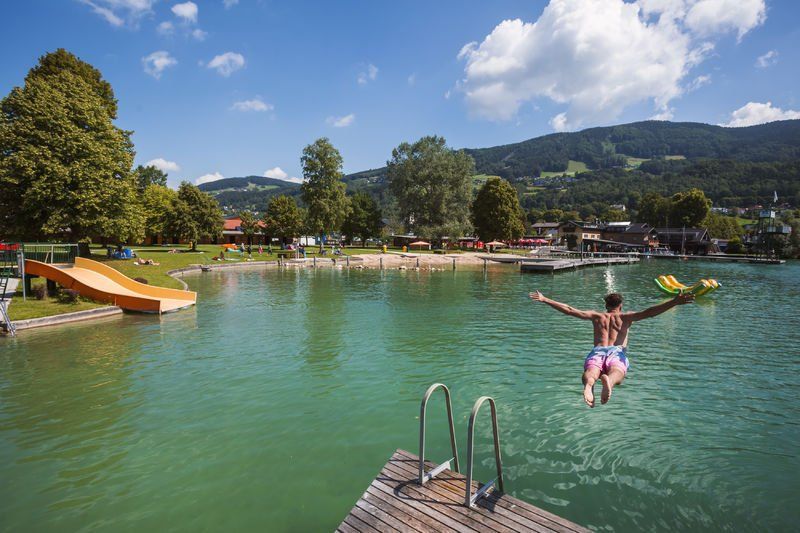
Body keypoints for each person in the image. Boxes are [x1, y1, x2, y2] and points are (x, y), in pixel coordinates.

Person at [529, 290, 694, 407]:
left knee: (591, 371)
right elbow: (650, 312)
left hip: (598, 351)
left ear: (606, 305)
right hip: (617, 352)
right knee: (617, 373)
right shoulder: (626, 317)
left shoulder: (597, 316)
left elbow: (570, 310)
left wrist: (545, 299)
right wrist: (674, 302)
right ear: (620, 305)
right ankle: (610, 381)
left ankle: (589, 384)